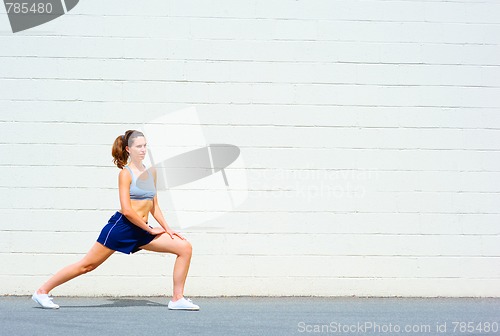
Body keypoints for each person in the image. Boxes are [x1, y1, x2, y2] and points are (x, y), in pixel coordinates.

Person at [32, 130, 199, 310]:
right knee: (87, 266)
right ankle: (42, 291)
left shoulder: (152, 172)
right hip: (123, 228)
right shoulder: (125, 174)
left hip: (143, 229)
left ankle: (177, 298)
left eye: (145, 146)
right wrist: (150, 230)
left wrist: (167, 228)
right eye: (138, 146)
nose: (143, 150)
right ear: (128, 149)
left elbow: (154, 205)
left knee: (185, 248)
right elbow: (127, 210)